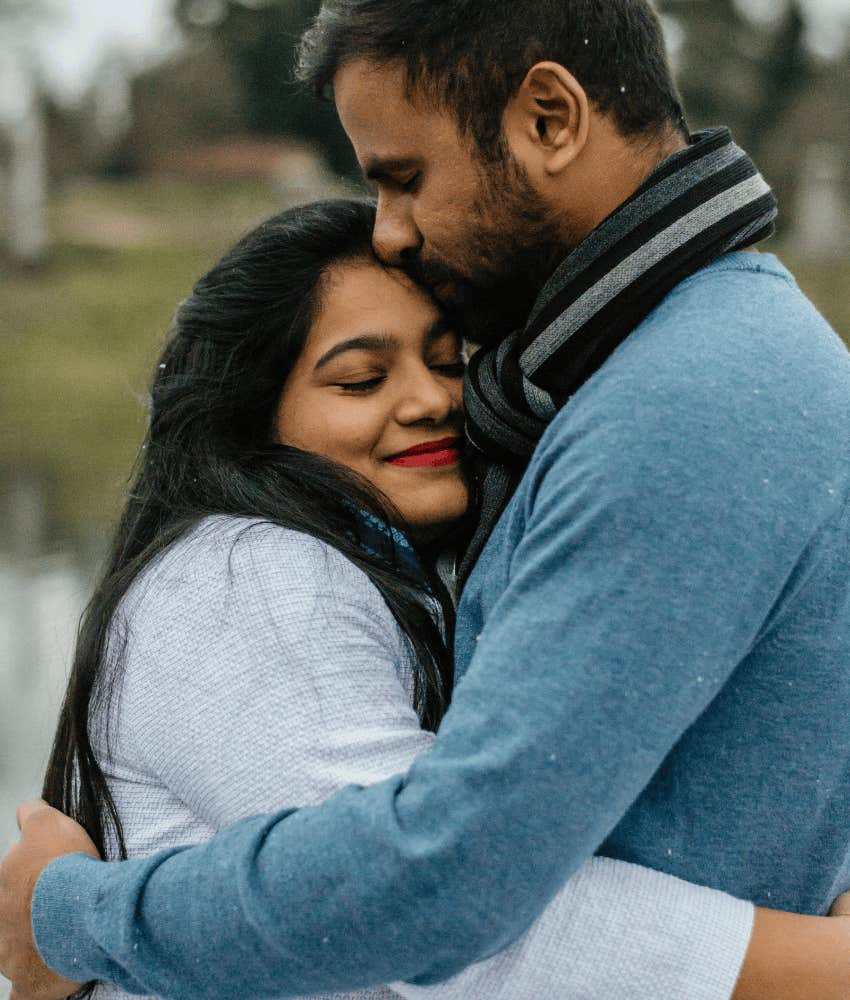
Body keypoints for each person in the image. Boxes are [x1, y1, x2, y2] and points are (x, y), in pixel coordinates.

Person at [2, 1, 850, 998]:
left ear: (549, 119)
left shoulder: (690, 396)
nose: (393, 231)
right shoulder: (699, 363)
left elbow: (443, 881)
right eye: (362, 377)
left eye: (404, 178)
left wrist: (72, 913)